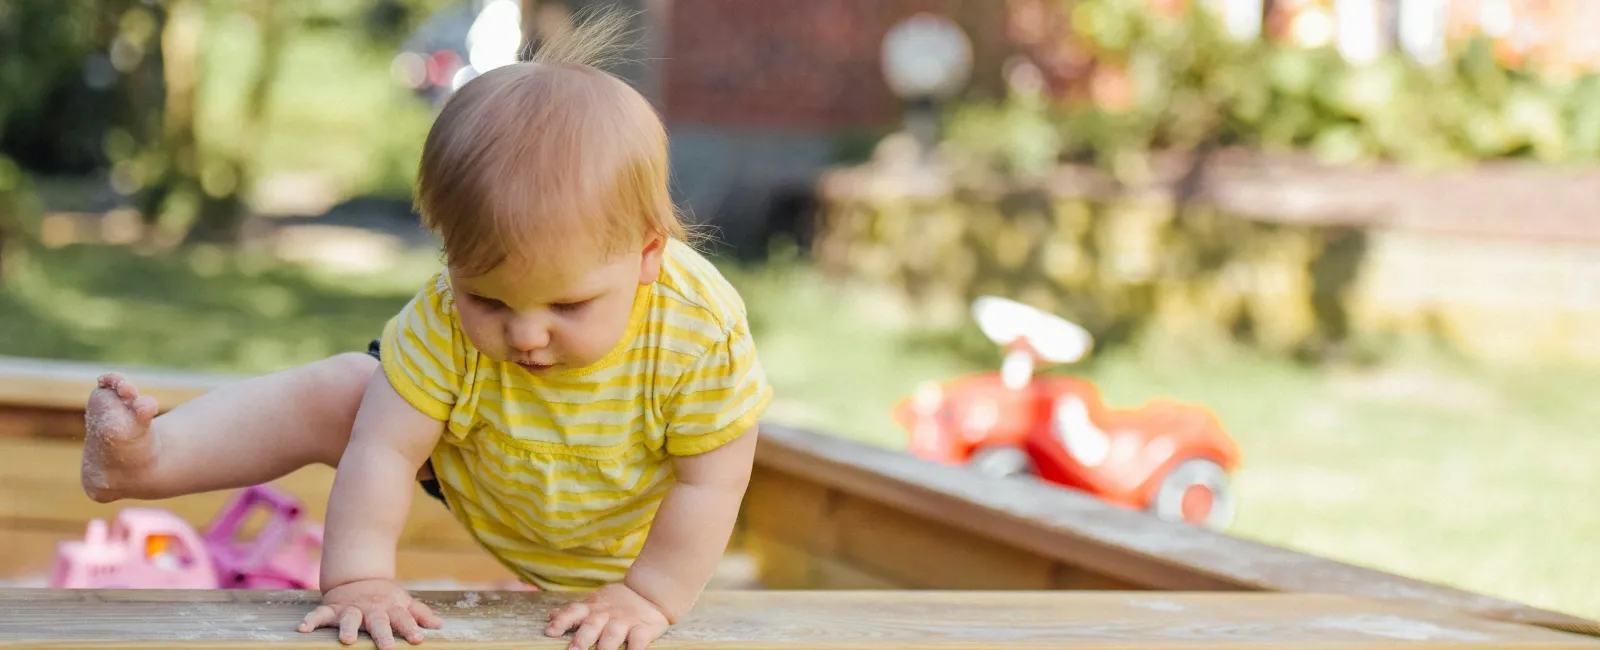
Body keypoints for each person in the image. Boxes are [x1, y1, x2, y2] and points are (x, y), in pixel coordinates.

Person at [77, 10, 772, 650]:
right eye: (489, 301)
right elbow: (381, 450)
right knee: (350, 390)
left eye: (566, 307)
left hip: (633, 528)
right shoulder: (442, 315)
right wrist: (359, 579)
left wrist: (649, 595)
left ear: (648, 255)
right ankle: (151, 456)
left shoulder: (696, 330)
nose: (525, 335)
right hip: (490, 466)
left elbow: (711, 482)